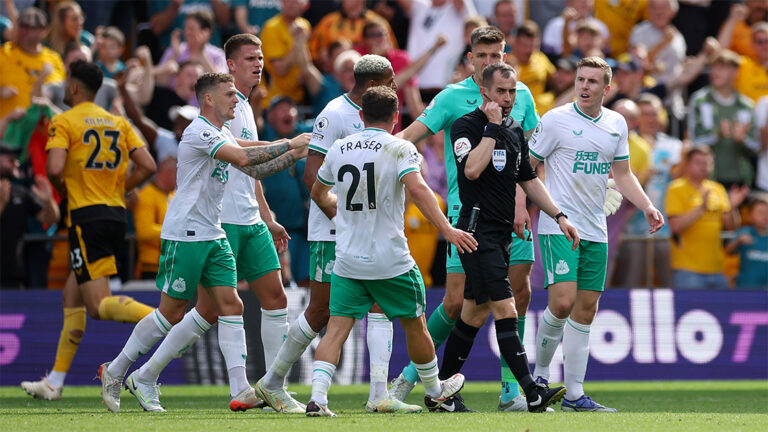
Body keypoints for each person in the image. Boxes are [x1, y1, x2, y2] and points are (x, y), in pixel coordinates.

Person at [116, 35, 311, 413]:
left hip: (249, 219)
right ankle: (145, 373)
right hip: (219, 221)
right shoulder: (223, 104)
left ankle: (272, 386)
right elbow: (243, 159)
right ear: (230, 65)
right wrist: (289, 147)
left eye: (261, 57)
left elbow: (251, 170)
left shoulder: (244, 105)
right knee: (204, 309)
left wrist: (267, 217)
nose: (258, 63)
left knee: (274, 297)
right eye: (250, 58)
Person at [390, 26, 541, 413]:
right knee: (458, 302)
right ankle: (413, 378)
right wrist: (387, 155)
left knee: (518, 293)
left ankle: (511, 393)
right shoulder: (452, 98)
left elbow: (527, 156)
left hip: (513, 211)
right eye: (484, 56)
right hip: (467, 214)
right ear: (470, 58)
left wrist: (523, 204)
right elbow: (411, 135)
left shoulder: (518, 93)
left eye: (498, 55)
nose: (491, 63)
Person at [305, 85, 475, 417]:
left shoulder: (340, 148)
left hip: (349, 258)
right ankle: (435, 391)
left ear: (360, 115)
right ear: (397, 117)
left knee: (337, 327)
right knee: (416, 325)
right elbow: (419, 189)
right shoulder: (400, 148)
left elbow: (318, 191)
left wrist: (341, 218)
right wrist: (448, 229)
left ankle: (318, 399)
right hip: (391, 259)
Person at [254, 54, 401, 413]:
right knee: (320, 311)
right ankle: (272, 381)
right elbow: (312, 177)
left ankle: (379, 394)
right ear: (371, 84)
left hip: (371, 231)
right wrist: (349, 221)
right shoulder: (334, 115)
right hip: (333, 232)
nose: (395, 87)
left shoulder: (380, 113)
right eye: (390, 81)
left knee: (382, 302)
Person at [440, 62, 578, 413]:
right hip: (475, 232)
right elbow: (471, 169)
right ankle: (532, 391)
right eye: (500, 91)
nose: (507, 98)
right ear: (484, 92)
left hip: (501, 234)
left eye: (512, 91)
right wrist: (491, 128)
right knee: (506, 305)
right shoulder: (466, 126)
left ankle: (439, 393)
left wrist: (559, 216)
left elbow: (529, 180)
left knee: (472, 314)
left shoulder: (516, 130)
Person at [528, 56, 664, 412]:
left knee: (586, 311)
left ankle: (574, 394)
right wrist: (520, 208)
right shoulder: (555, 120)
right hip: (558, 225)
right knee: (561, 302)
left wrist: (647, 205)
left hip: (595, 230)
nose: (584, 87)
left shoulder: (617, 123)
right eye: (580, 80)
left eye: (592, 82)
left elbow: (622, 175)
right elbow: (525, 169)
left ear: (606, 89)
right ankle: (540, 379)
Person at [20, 60, 157, 401]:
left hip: (86, 217)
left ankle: (165, 322)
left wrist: (64, 189)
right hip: (113, 215)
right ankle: (54, 382)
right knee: (73, 295)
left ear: (74, 88)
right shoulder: (117, 122)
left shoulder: (63, 121)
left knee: (97, 305)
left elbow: (53, 168)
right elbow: (149, 165)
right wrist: (120, 189)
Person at [666, 146, 749, 290]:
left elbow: (732, 227)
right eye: (699, 163)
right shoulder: (676, 188)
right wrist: (701, 208)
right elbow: (675, 226)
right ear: (688, 165)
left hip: (717, 269)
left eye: (708, 163)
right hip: (688, 270)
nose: (704, 167)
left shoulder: (718, 189)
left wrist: (732, 207)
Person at [688, 50, 759, 189]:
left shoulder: (747, 105)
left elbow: (756, 147)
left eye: (722, 67)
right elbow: (693, 141)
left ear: (736, 72)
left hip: (739, 180)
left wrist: (742, 140)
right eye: (714, 67)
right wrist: (716, 135)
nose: (715, 72)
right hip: (707, 180)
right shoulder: (699, 100)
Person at [0, 143, 59, 289]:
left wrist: (49, 201)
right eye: (9, 159)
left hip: (13, 275)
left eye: (15, 159)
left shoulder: (20, 192)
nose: (15, 163)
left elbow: (50, 218)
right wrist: (1, 204)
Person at [0, 7, 65, 119]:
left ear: (43, 30)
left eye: (32, 27)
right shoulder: (4, 53)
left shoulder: (54, 59)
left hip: (43, 130)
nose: (26, 32)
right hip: (9, 130)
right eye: (23, 26)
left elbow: (62, 96)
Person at [260, 0, 311, 106]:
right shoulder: (272, 27)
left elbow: (307, 63)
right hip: (273, 101)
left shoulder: (305, 25)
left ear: (306, 5)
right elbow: (280, 70)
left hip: (298, 98)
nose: (291, 3)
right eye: (287, 0)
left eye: (296, 1)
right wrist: (298, 41)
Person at [133, 156, 176, 280]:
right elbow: (144, 231)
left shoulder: (173, 195)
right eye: (178, 175)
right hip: (151, 268)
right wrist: (175, 231)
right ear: (168, 174)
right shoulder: (146, 194)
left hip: (172, 265)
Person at [725, 194, 768, 289]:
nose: (765, 216)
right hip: (746, 288)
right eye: (760, 213)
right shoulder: (744, 232)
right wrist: (738, 241)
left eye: (767, 212)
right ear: (749, 216)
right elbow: (728, 251)